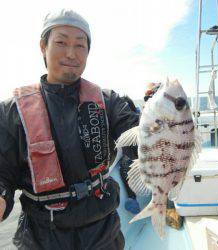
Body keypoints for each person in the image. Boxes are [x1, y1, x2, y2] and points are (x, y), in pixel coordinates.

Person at [0, 9, 139, 250]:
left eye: (80, 45)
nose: (71, 53)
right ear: (43, 46)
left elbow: (138, 141)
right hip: (40, 238)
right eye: (61, 42)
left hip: (103, 234)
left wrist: (161, 126)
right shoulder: (12, 112)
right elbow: (3, 172)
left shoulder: (109, 102)